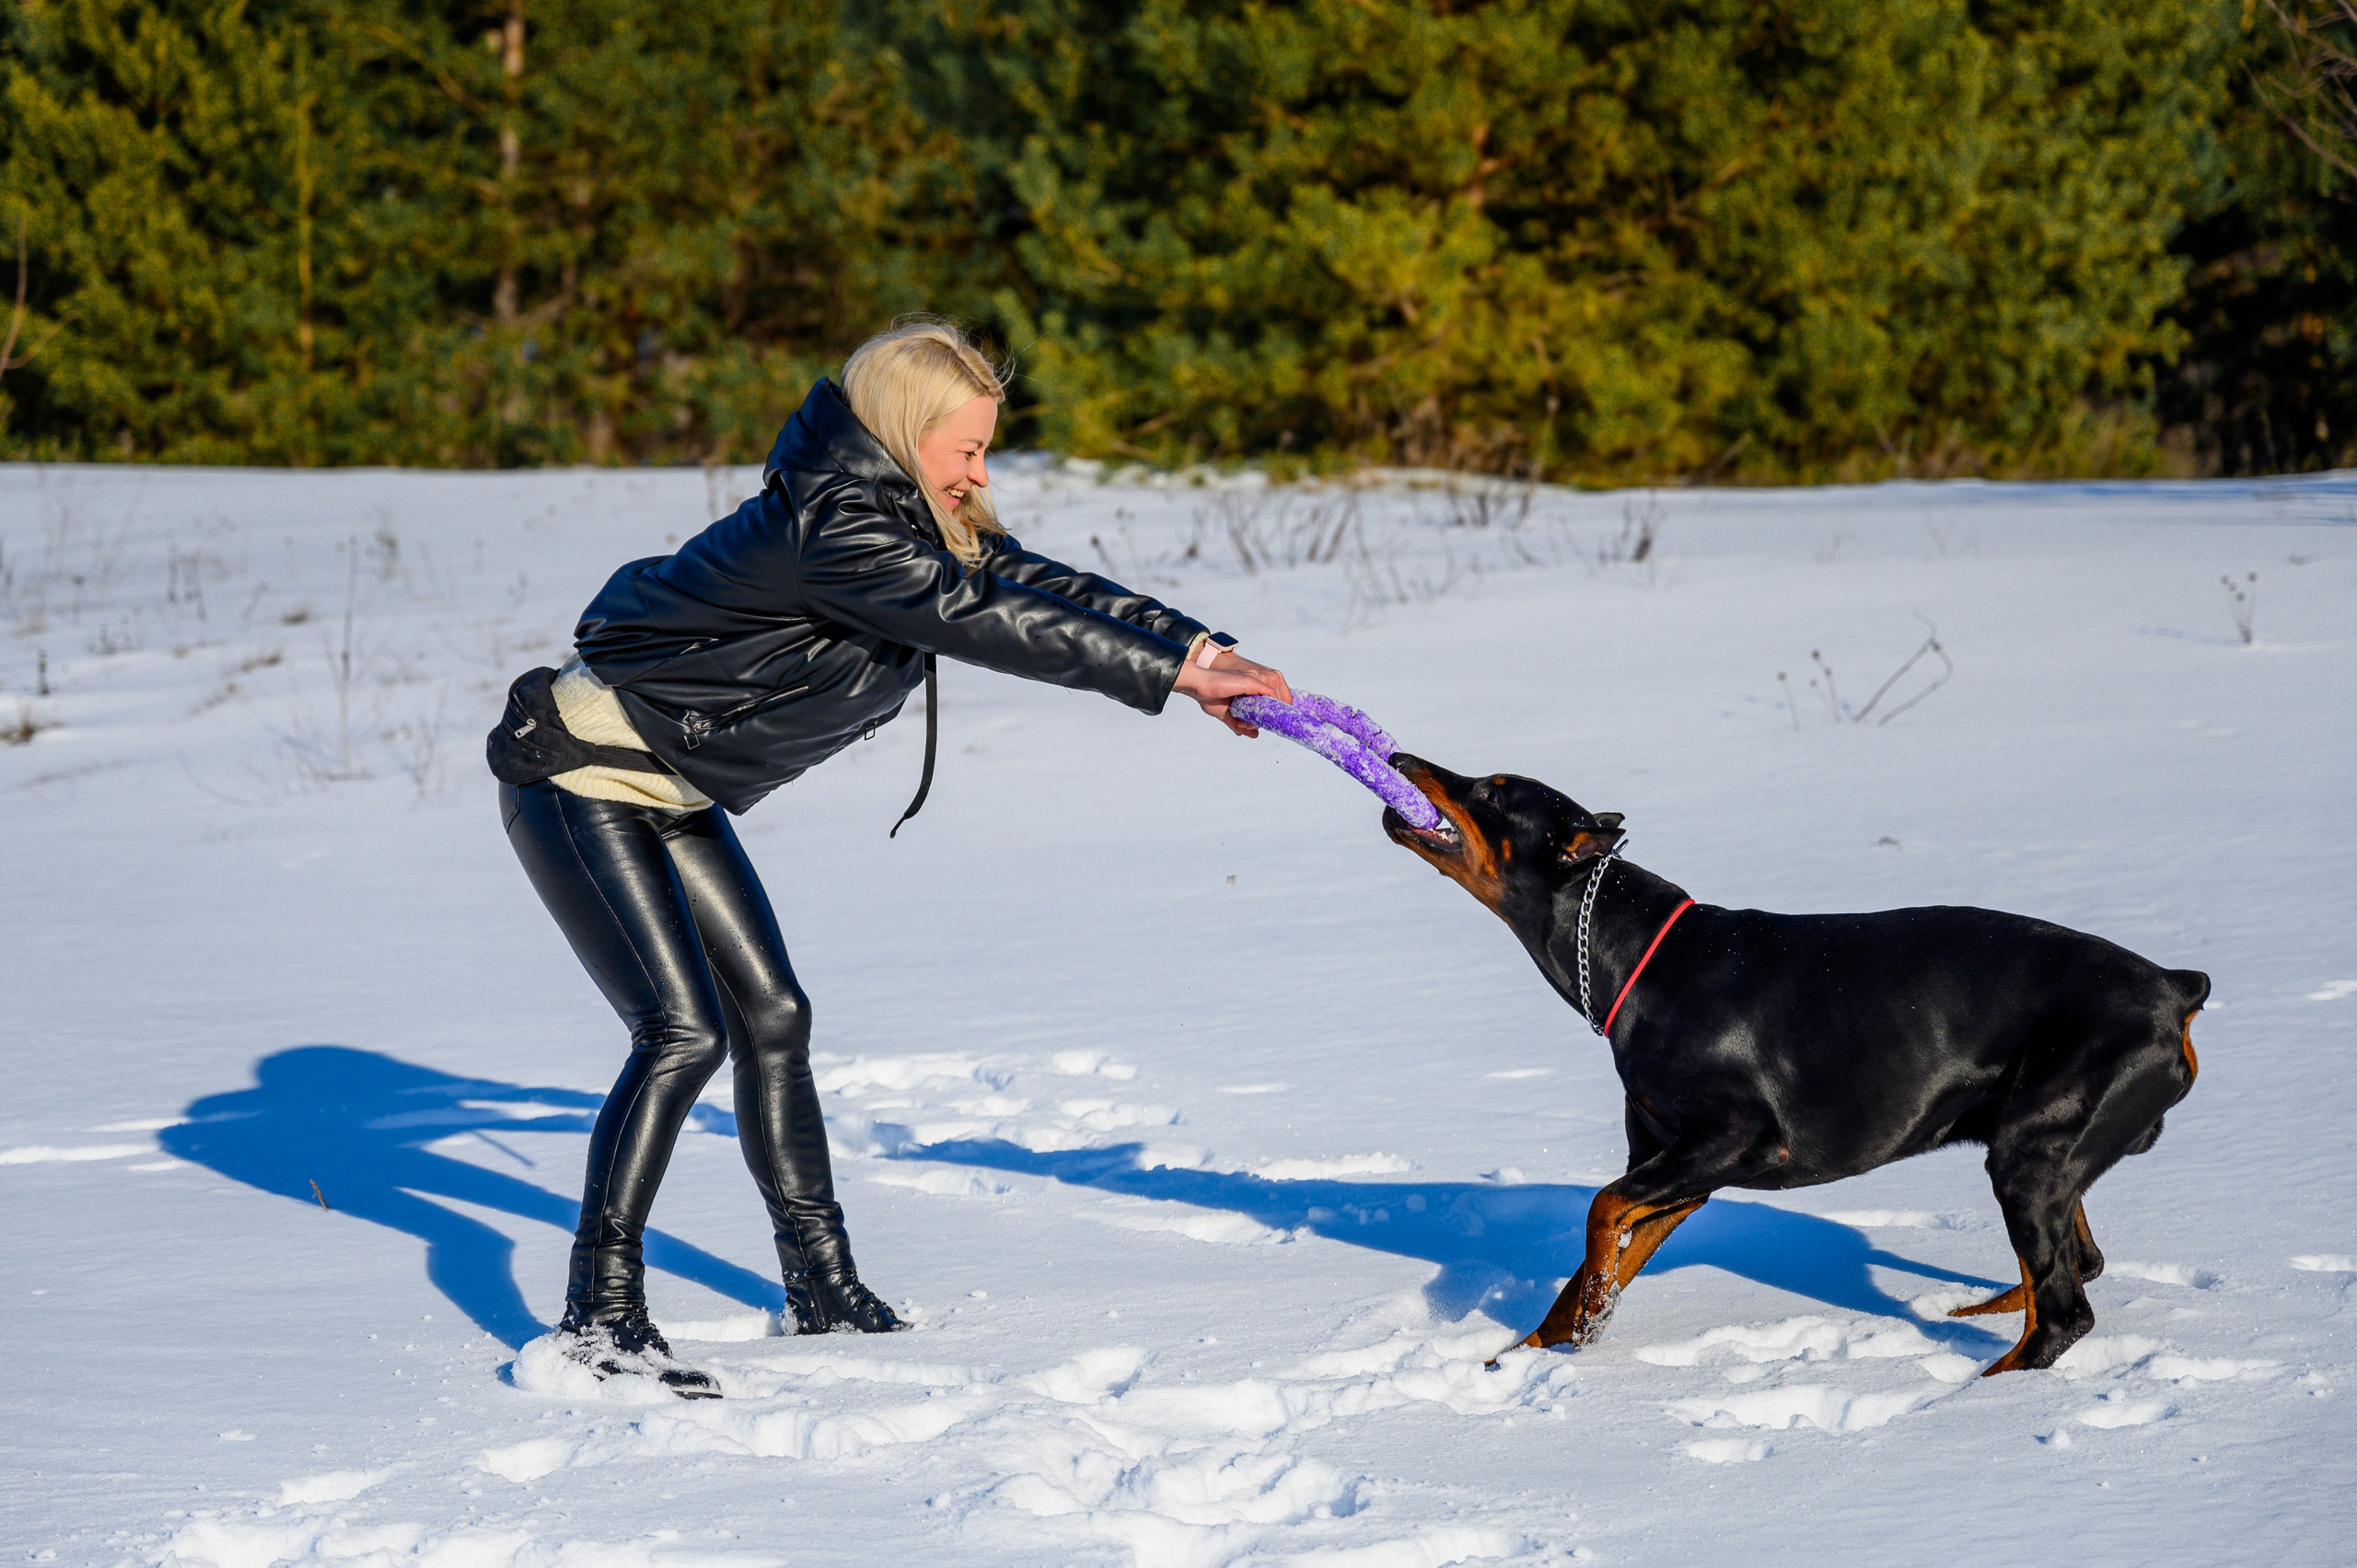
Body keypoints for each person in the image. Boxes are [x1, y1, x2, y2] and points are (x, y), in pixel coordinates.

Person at [486, 319, 1293, 1396]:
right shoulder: (837, 530)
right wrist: (1173, 678)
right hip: (581, 775)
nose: (979, 470)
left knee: (773, 1016)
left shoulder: (903, 523)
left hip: (672, 789)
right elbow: (984, 615)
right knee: (683, 1032)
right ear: (903, 436)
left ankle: (820, 1283)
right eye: (962, 449)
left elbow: (1029, 582)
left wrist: (1192, 650)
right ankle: (600, 1311)